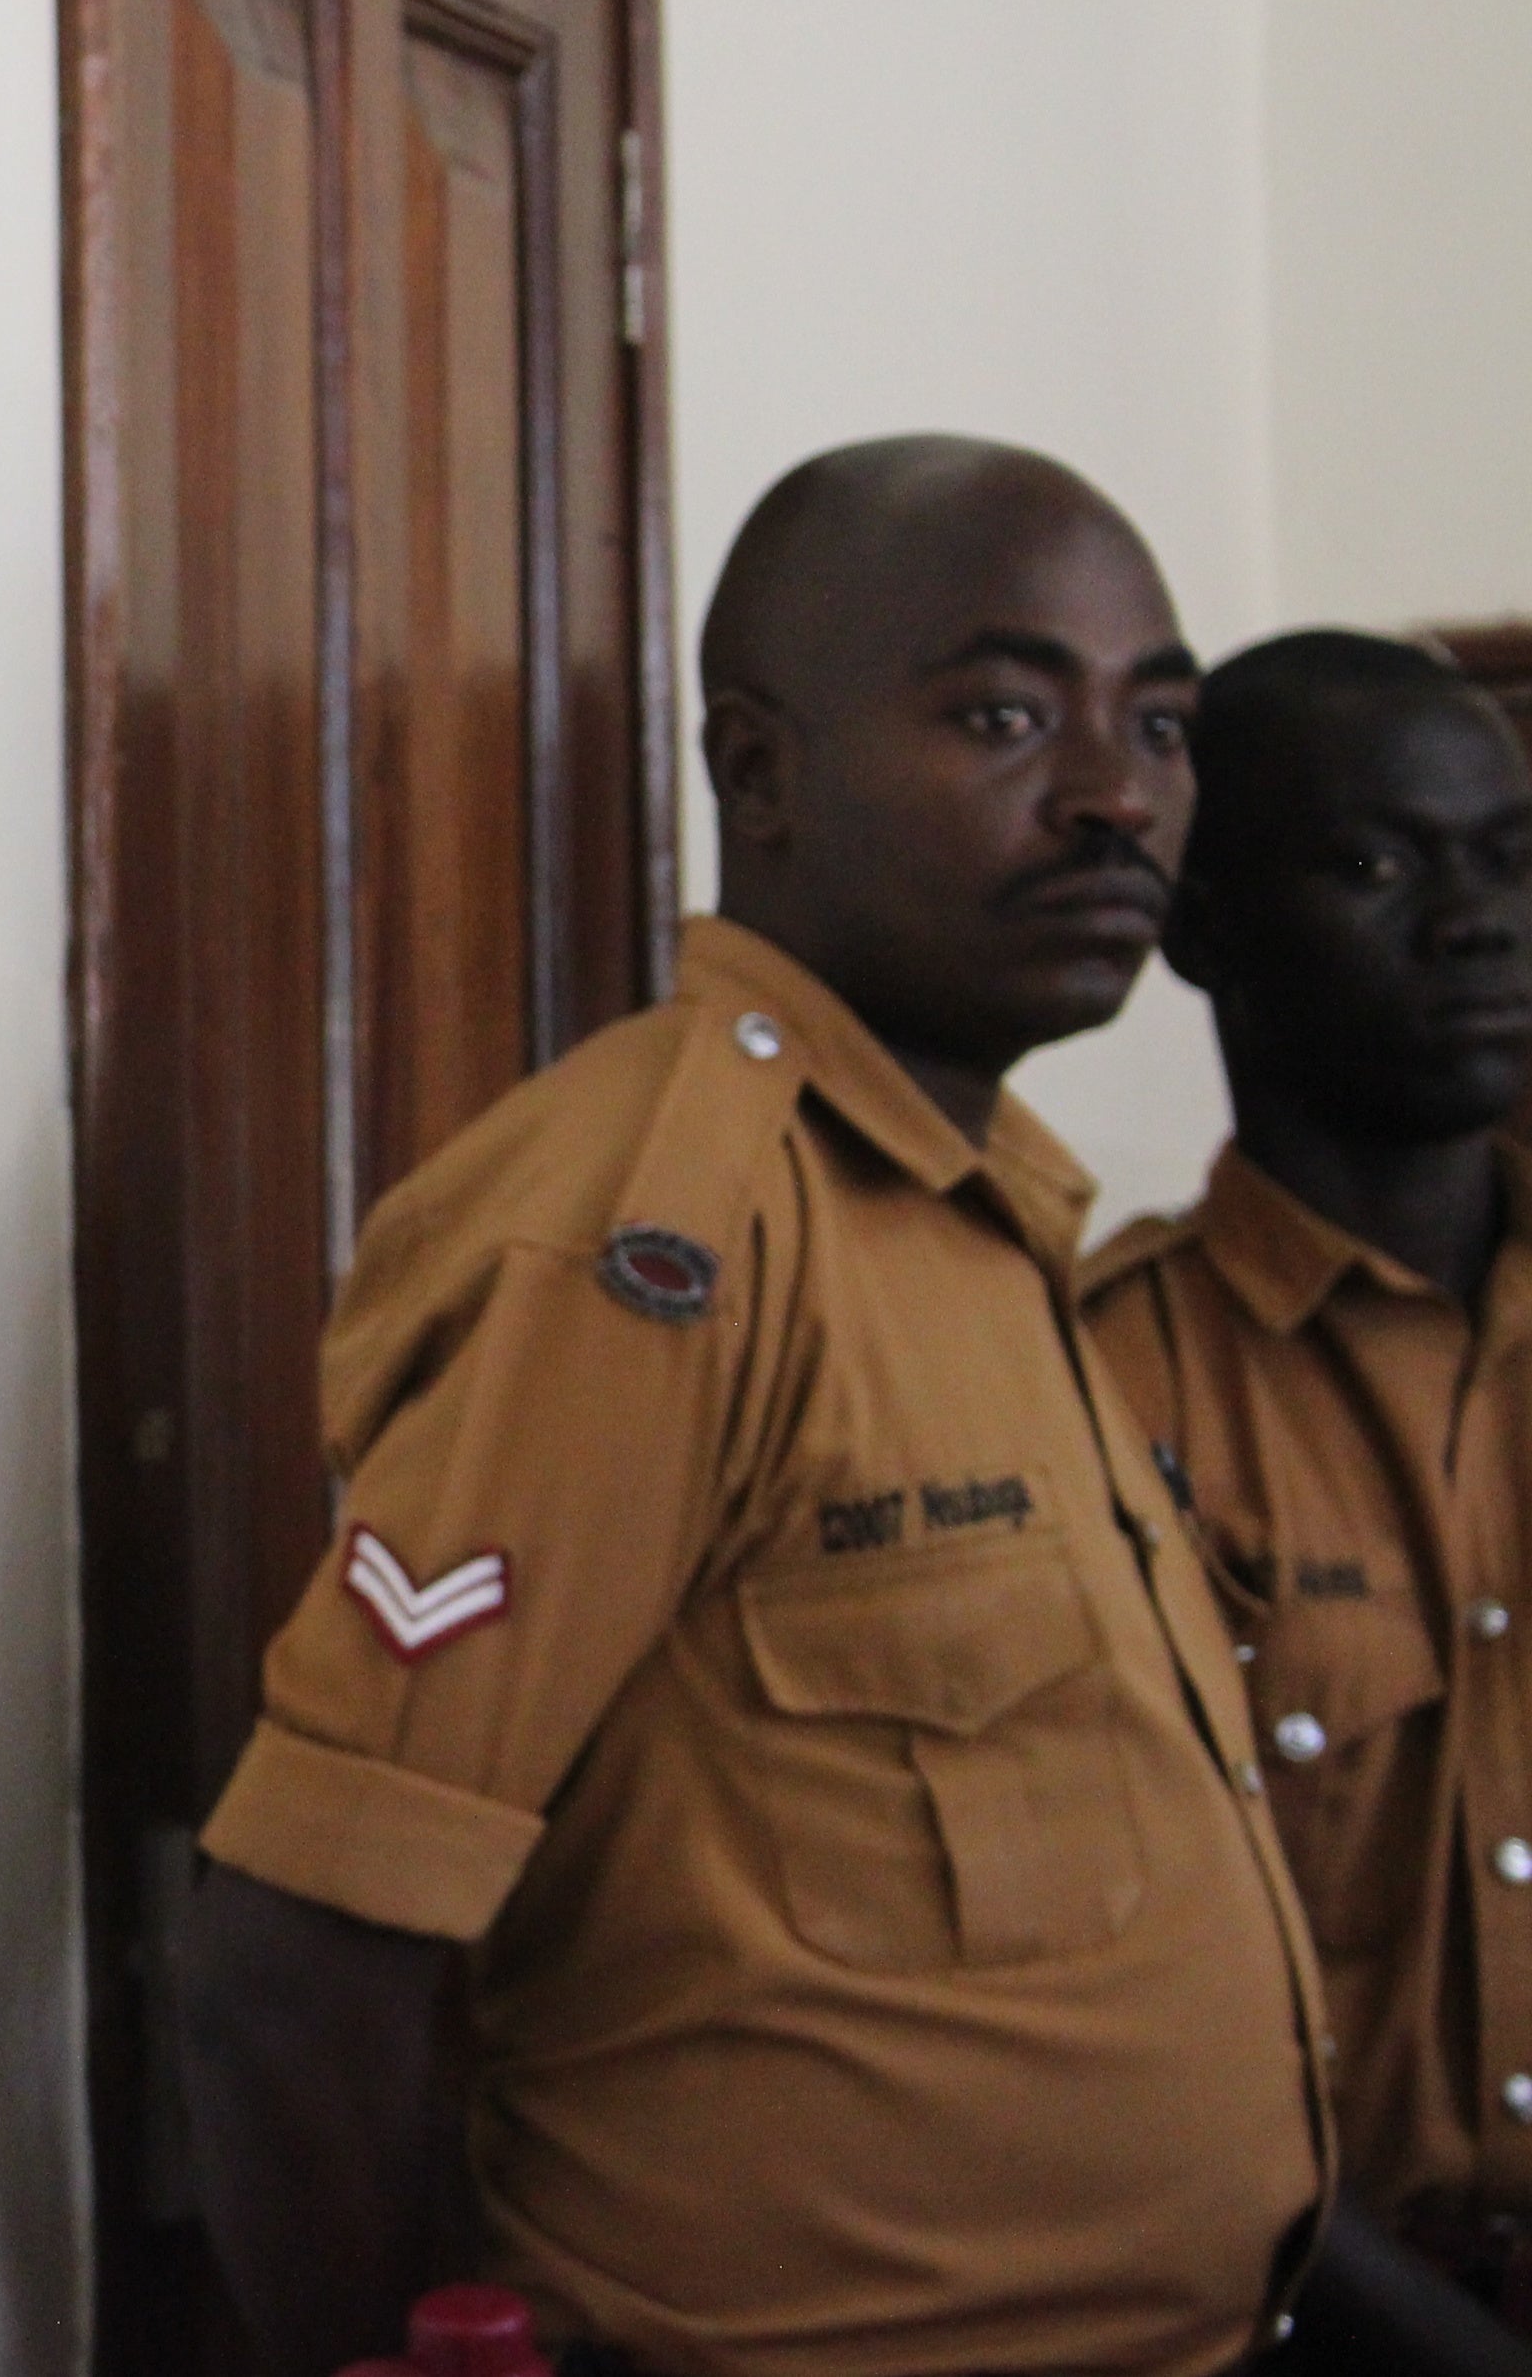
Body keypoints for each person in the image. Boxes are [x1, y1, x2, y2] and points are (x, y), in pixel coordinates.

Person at [177, 436, 1331, 2377]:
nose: (1115, 795)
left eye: (1159, 723)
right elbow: (295, 1959)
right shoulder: (657, 1225)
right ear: (755, 772)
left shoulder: (990, 1219)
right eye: (997, 712)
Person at [1087, 633, 1532, 2322]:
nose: (1477, 919)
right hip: (1291, 2324)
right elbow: (1104, 2020)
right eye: (1376, 864)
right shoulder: (1104, 1384)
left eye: (1509, 857)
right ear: (1201, 926)